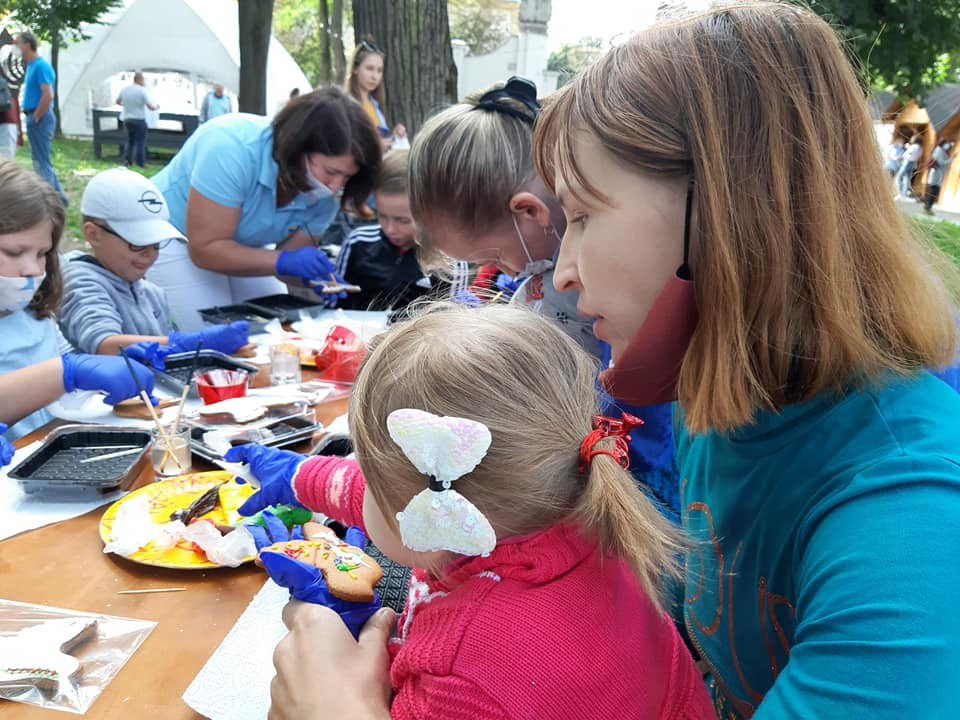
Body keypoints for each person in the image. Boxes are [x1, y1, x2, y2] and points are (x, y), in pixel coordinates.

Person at [532, 3, 960, 717]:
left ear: (726, 212)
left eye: (581, 216)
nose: (564, 272)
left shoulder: (909, 519)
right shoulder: (720, 399)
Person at [227, 303, 714, 719]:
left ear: (432, 511)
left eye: (369, 473)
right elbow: (392, 503)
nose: (363, 484)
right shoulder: (565, 507)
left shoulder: (462, 677)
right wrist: (296, 476)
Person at [410, 76, 682, 519]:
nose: (505, 272)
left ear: (529, 212)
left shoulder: (612, 283)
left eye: (495, 258)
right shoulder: (542, 271)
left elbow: (632, 406)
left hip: (635, 480)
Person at [147, 86, 382, 331]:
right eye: (331, 172)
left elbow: (287, 263)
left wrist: (315, 278)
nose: (335, 187)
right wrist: (285, 261)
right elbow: (205, 249)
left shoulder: (327, 193)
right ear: (298, 149)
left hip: (241, 244)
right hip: (174, 237)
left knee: (275, 330)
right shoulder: (230, 148)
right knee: (210, 333)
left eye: (347, 176)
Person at [0, 160, 155, 439]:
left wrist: (99, 369)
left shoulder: (34, 312)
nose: (33, 269)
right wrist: (67, 373)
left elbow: (65, 363)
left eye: (42, 254)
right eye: (14, 252)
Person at [58, 167, 249, 358]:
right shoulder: (80, 281)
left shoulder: (151, 293)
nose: (150, 253)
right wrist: (187, 345)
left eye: (156, 243)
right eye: (137, 243)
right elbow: (105, 345)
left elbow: (166, 359)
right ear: (94, 234)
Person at [333, 149, 467, 312]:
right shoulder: (358, 244)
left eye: (403, 220)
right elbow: (333, 306)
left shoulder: (450, 257)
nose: (390, 229)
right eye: (382, 216)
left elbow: (450, 320)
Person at [13, 31, 66, 206]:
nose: (15, 47)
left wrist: (36, 116)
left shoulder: (41, 66)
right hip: (35, 115)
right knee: (40, 160)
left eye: (17, 43)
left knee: (41, 162)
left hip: (40, 116)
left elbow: (47, 95)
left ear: (27, 45)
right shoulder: (31, 66)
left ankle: (49, 202)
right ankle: (59, 198)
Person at [344, 38, 407, 152]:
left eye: (379, 70)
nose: (375, 76)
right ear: (355, 68)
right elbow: (345, 146)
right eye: (370, 69)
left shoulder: (375, 104)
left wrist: (394, 135)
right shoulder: (345, 105)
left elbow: (380, 139)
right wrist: (375, 146)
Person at [116, 72, 159, 168]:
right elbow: (150, 106)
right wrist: (156, 107)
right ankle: (140, 163)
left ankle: (127, 160)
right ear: (140, 80)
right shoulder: (142, 91)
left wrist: (126, 105)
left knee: (129, 141)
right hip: (139, 119)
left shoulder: (125, 89)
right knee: (140, 142)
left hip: (127, 119)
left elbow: (118, 101)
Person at [922, 138, 954, 215]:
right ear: (943, 143)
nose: (947, 145)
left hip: (938, 175)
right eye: (947, 143)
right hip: (936, 175)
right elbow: (941, 162)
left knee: (934, 192)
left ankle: (928, 208)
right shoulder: (939, 151)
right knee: (933, 192)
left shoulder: (941, 151)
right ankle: (927, 208)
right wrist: (951, 159)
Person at [894, 133, 923, 199]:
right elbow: (918, 157)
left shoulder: (913, 146)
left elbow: (906, 154)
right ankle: (904, 193)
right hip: (913, 164)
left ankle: (900, 192)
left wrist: (906, 149)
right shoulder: (920, 148)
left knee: (899, 177)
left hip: (907, 162)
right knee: (906, 178)